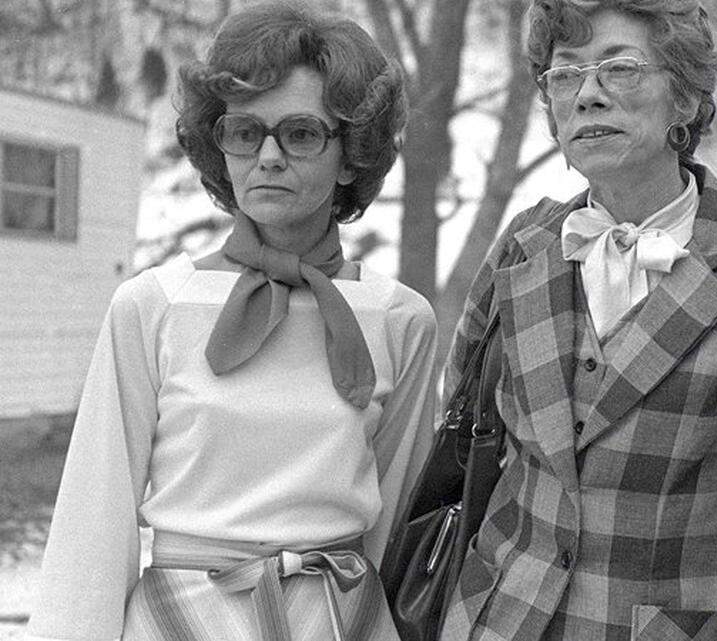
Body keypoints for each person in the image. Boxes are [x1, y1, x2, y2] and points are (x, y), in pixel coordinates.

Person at [439, 1, 717, 639]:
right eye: (565, 75)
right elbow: (464, 426)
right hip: (495, 619)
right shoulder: (525, 244)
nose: (589, 96)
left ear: (684, 100)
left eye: (620, 70)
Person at [27, 3, 437, 640]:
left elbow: (399, 515)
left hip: (338, 622)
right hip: (180, 622)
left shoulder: (400, 319)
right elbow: (95, 511)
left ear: (351, 155)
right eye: (245, 132)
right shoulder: (153, 305)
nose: (268, 156)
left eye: (300, 134)